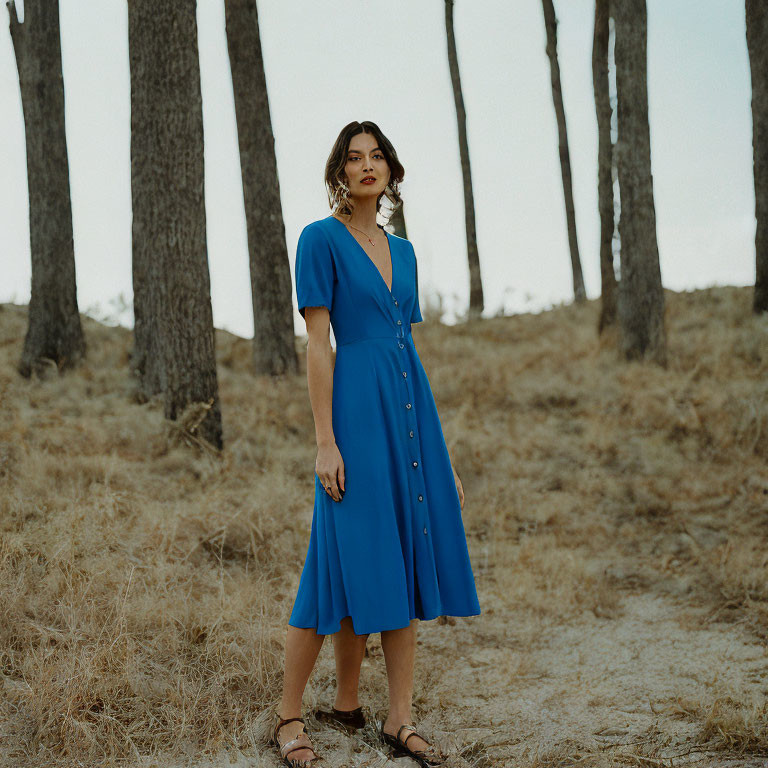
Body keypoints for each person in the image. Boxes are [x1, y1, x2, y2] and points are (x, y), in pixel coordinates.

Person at [272, 120, 481, 768]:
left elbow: (404, 345)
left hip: (407, 412)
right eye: (355, 157)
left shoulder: (405, 251)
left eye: (377, 156)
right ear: (341, 169)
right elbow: (320, 344)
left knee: (404, 561)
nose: (367, 166)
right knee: (331, 564)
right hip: (355, 416)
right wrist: (326, 441)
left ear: (390, 170)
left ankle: (395, 717)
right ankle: (287, 716)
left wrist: (438, 461)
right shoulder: (319, 240)